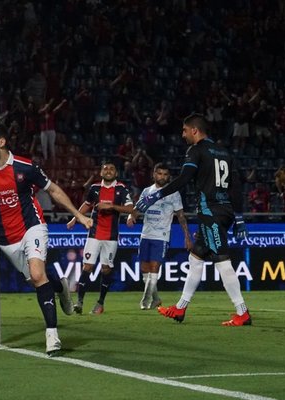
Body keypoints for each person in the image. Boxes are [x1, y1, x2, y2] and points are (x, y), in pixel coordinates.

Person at [0, 121, 92, 356]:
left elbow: (53, 190)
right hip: (7, 240)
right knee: (38, 280)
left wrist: (79, 215)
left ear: (1, 142)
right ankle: (60, 286)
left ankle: (52, 337)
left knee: (38, 274)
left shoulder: (25, 167)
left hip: (33, 227)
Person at [135, 113, 251, 326]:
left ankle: (242, 312)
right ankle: (180, 308)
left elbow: (184, 178)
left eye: (185, 130)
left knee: (222, 262)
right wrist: (240, 217)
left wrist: (156, 195)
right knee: (196, 257)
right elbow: (236, 186)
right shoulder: (224, 152)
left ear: (195, 130)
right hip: (224, 211)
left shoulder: (196, 150)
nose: (183, 134)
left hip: (211, 212)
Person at [66, 160, 134, 315]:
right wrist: (74, 218)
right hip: (94, 234)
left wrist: (111, 206)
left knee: (106, 269)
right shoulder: (95, 188)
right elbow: (87, 204)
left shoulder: (121, 189)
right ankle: (79, 302)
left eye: (111, 168)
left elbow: (131, 208)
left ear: (116, 173)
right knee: (87, 267)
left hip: (111, 237)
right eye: (105, 169)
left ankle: (100, 303)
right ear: (101, 173)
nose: (108, 171)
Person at [126, 163, 193, 310]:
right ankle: (156, 299)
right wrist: (131, 216)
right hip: (146, 234)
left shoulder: (173, 193)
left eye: (165, 174)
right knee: (144, 268)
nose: (162, 177)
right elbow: (138, 208)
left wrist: (187, 236)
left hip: (162, 235)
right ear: (154, 174)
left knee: (154, 267)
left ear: (169, 177)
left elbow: (180, 216)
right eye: (159, 173)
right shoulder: (146, 191)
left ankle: (146, 299)